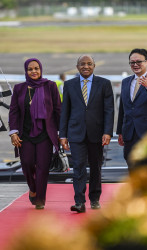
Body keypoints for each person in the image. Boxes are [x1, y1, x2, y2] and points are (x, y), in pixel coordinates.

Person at [59, 55, 114, 213]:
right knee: (79, 168)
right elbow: (65, 112)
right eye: (82, 64)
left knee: (96, 167)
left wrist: (108, 132)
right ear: (77, 67)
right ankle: (79, 202)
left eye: (89, 64)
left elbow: (109, 110)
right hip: (76, 133)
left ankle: (95, 198)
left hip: (97, 134)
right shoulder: (69, 85)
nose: (86, 67)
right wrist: (63, 135)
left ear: (94, 66)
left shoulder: (104, 84)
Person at [9, 58, 61, 209]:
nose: (34, 71)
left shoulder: (50, 86)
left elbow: (58, 110)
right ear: (26, 71)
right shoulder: (19, 88)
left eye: (36, 68)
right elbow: (14, 112)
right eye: (30, 69)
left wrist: (61, 133)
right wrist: (13, 132)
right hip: (25, 134)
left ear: (41, 69)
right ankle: (32, 189)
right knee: (27, 163)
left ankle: (40, 200)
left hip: (45, 134)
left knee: (43, 167)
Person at [116, 48, 147, 170]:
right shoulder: (126, 82)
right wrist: (120, 132)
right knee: (131, 165)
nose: (135, 65)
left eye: (139, 62)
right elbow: (123, 108)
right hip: (130, 134)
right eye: (132, 62)